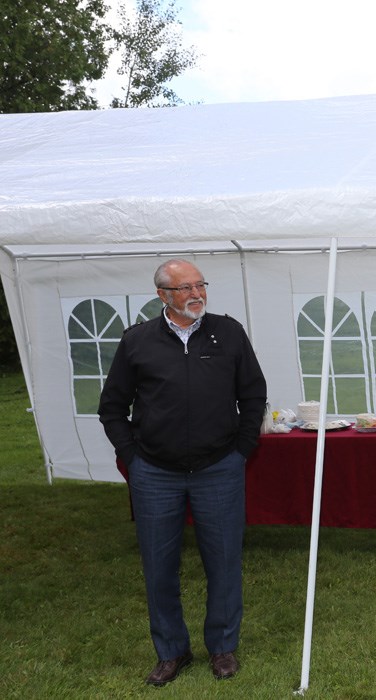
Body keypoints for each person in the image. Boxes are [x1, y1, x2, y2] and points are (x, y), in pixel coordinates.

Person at [98, 259, 267, 687]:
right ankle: (171, 651)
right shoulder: (137, 341)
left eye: (200, 285)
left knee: (224, 561)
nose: (197, 294)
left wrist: (241, 450)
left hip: (219, 468)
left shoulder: (227, 332)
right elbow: (112, 406)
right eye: (185, 287)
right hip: (155, 472)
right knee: (159, 566)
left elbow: (253, 393)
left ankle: (223, 647)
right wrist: (132, 457)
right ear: (163, 296)